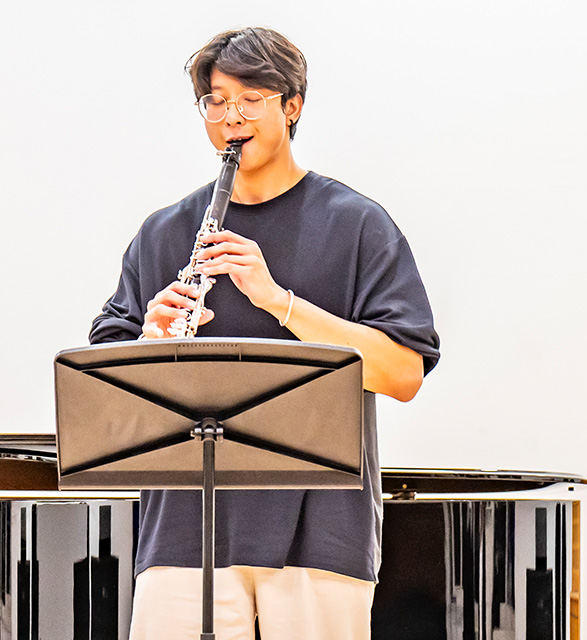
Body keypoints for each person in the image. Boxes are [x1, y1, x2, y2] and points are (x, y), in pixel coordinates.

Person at [89, 27, 441, 640]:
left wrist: (278, 302)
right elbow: (103, 391)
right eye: (216, 101)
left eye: (251, 98)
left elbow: (404, 373)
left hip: (320, 534)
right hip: (182, 532)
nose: (231, 117)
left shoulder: (357, 224)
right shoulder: (164, 232)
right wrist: (152, 338)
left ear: (292, 106)